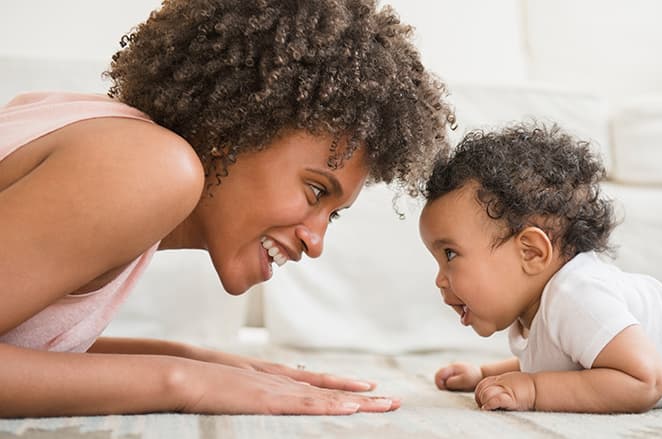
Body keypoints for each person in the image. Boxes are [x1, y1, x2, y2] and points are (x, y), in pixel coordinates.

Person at [0, 0, 453, 417]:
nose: (315, 243)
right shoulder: (149, 167)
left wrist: (197, 360)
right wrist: (184, 382)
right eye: (316, 191)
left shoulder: (114, 144)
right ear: (232, 134)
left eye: (331, 215)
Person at [418, 122, 662, 413]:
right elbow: (569, 362)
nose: (439, 279)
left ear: (531, 252)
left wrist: (532, 390)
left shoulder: (574, 295)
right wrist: (484, 373)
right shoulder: (540, 311)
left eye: (449, 254)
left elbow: (646, 380)